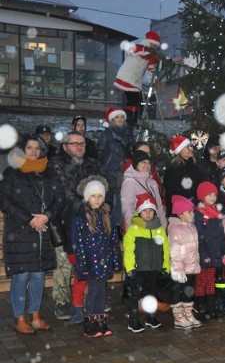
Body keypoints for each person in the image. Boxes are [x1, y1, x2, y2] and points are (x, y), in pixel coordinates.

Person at [0, 135, 65, 334]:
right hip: (20, 232)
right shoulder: (12, 173)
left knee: (38, 275)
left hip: (42, 231)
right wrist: (29, 219)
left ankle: (35, 315)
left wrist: (46, 216)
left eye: (38, 148)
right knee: (21, 276)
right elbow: (5, 202)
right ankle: (20, 318)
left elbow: (59, 198)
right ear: (22, 149)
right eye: (30, 147)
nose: (34, 151)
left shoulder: (48, 172)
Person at [48, 131, 112, 322]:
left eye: (82, 143)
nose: (79, 147)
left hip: (92, 222)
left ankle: (89, 300)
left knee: (91, 262)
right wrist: (89, 206)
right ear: (65, 146)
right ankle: (62, 302)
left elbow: (103, 187)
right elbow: (65, 193)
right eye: (74, 143)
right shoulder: (57, 164)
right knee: (65, 264)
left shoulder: (92, 163)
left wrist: (99, 205)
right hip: (66, 220)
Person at [71, 176, 122, 338]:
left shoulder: (107, 216)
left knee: (101, 291)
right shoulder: (80, 219)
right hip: (90, 263)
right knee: (92, 291)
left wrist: (115, 259)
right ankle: (89, 321)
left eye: (100, 195)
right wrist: (82, 265)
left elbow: (113, 240)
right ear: (87, 197)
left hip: (104, 261)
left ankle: (100, 320)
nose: (97, 199)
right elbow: (77, 245)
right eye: (93, 196)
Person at [122, 193, 170, 333]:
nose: (148, 214)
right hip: (139, 269)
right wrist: (130, 267)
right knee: (135, 295)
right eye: (145, 210)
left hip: (154, 268)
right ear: (139, 212)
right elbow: (129, 249)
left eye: (151, 210)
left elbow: (165, 249)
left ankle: (151, 317)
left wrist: (165, 266)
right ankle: (133, 321)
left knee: (151, 294)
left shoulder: (159, 229)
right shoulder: (133, 229)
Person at [193, 182, 225, 320]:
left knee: (211, 280)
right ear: (202, 197)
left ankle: (211, 308)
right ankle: (202, 308)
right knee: (202, 281)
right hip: (206, 254)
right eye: (209, 195)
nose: (213, 197)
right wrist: (204, 254)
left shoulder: (216, 213)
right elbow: (199, 236)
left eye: (214, 195)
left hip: (216, 253)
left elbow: (221, 234)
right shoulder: (199, 214)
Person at [97, 107, 134, 231]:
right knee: (112, 200)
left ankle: (120, 226)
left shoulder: (129, 134)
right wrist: (102, 170)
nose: (120, 119)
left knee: (124, 200)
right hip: (109, 173)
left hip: (124, 172)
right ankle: (112, 227)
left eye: (122, 117)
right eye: (117, 117)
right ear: (112, 119)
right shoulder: (106, 135)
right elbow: (99, 154)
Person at [168, 195, 202, 329]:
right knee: (178, 292)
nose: (192, 214)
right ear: (181, 214)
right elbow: (175, 251)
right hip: (181, 269)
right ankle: (178, 317)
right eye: (190, 212)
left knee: (189, 291)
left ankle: (188, 313)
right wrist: (179, 269)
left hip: (191, 267)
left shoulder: (191, 227)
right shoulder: (176, 229)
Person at [114, 30, 162, 125]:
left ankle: (133, 119)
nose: (153, 47)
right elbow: (131, 50)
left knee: (136, 100)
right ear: (148, 42)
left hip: (135, 80)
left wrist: (155, 78)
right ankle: (129, 119)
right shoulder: (141, 48)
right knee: (133, 99)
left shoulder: (150, 55)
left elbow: (150, 67)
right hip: (127, 77)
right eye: (152, 45)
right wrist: (146, 51)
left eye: (155, 46)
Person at [121, 149, 167, 231]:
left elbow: (159, 206)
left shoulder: (152, 182)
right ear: (135, 164)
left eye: (148, 162)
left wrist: (163, 225)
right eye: (143, 162)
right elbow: (128, 209)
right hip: (139, 229)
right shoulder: (129, 183)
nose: (147, 165)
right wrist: (133, 230)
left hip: (154, 228)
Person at [163, 136, 202, 215]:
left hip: (196, 208)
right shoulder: (173, 170)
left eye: (191, 146)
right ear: (180, 151)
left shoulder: (195, 167)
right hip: (181, 212)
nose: (191, 149)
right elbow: (170, 195)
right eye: (187, 147)